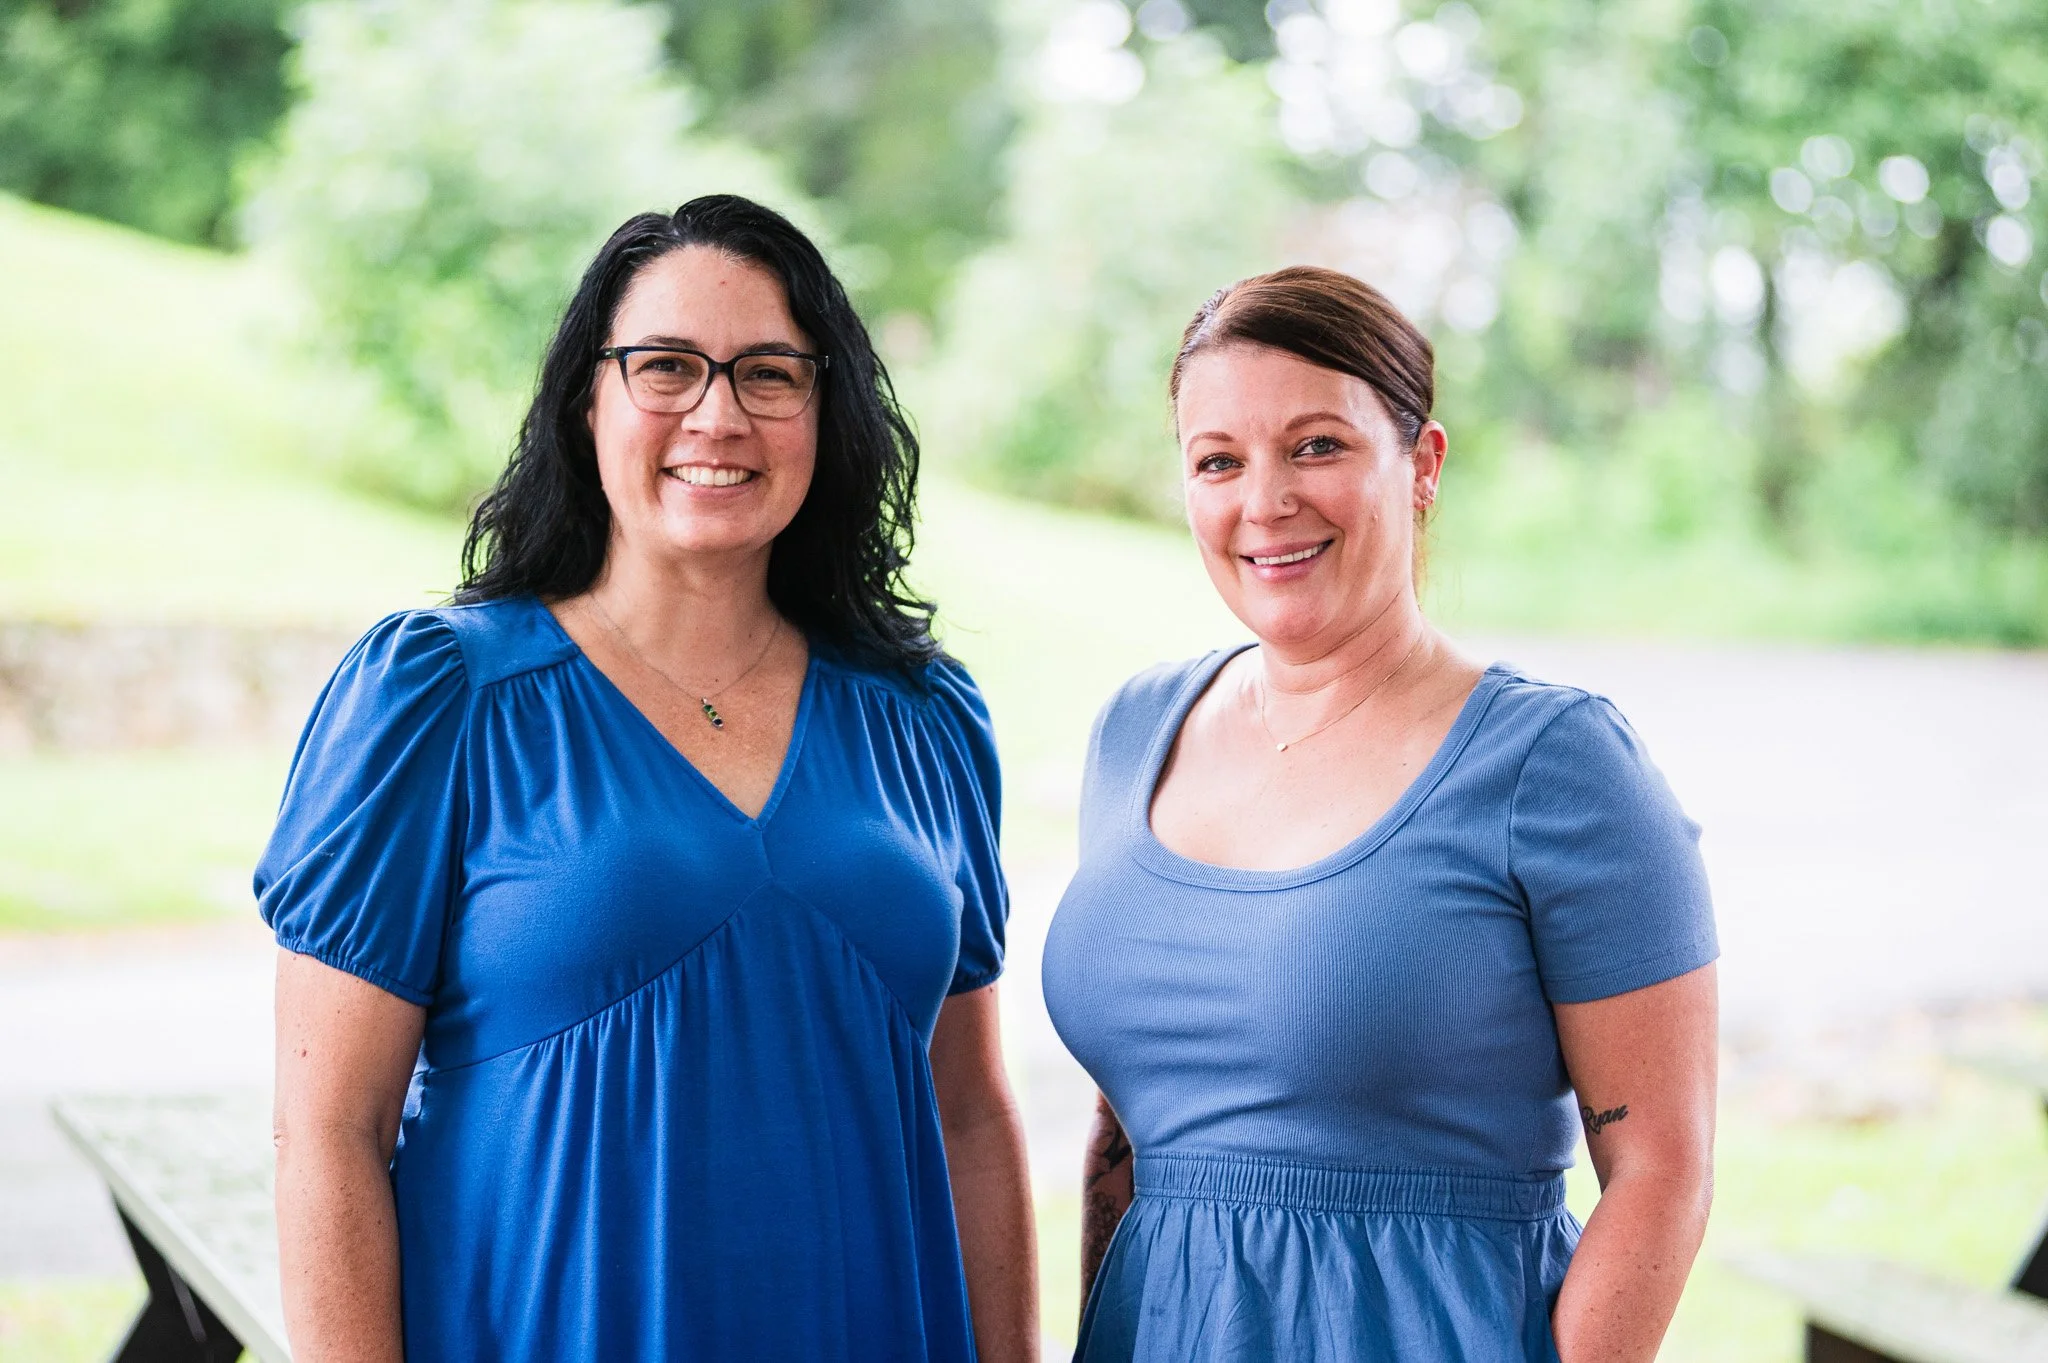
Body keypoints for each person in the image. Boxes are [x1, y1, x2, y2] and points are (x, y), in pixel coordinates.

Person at [258, 194, 1038, 1362]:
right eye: (665, 365)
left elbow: (969, 1114)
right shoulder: (440, 697)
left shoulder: (924, 720)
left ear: (825, 411)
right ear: (587, 400)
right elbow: (325, 1130)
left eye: (769, 373)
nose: (717, 414)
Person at [1041, 266, 1718, 1362]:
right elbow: (1124, 1128)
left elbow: (1662, 1172)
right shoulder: (1133, 732)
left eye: (1316, 446)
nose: (1263, 501)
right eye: (1218, 460)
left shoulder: (1556, 764)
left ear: (1421, 466)